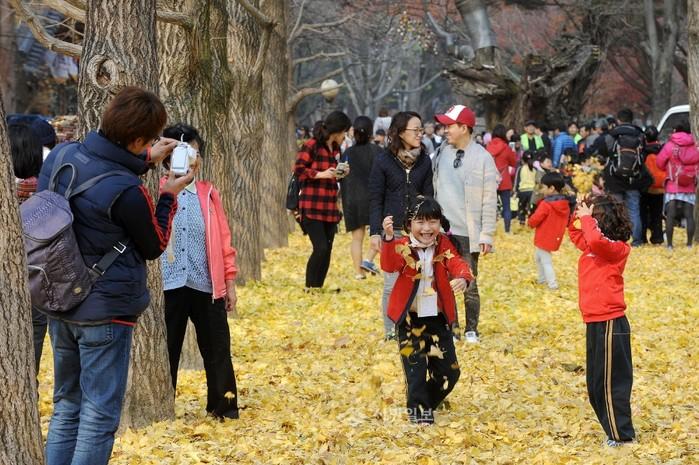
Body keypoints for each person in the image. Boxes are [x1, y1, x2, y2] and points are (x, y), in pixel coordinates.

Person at [37, 86, 193, 465]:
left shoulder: (61, 155)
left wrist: (144, 160)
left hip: (59, 298)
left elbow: (95, 173)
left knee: (66, 406)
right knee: (98, 416)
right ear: (137, 140)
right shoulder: (128, 191)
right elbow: (154, 245)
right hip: (105, 311)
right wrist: (169, 196)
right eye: (150, 140)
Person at [158, 124, 240, 420]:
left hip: (206, 284)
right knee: (167, 349)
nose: (191, 158)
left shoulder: (208, 194)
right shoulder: (157, 192)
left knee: (217, 348)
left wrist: (229, 282)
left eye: (195, 152)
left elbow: (224, 240)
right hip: (169, 285)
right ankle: (162, 409)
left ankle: (224, 408)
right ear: (168, 158)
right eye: (183, 152)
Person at [380, 197, 472, 424]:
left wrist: (463, 277)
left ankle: (424, 404)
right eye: (420, 222)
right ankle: (419, 416)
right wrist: (389, 239)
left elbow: (457, 263)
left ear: (440, 223)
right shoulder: (403, 244)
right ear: (409, 224)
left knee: (449, 373)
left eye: (432, 222)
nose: (427, 228)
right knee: (416, 372)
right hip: (409, 320)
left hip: (437, 319)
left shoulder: (443, 244)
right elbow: (389, 265)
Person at [568, 195, 636, 447]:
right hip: (594, 321)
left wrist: (587, 218)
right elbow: (576, 234)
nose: (589, 222)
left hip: (611, 322)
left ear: (602, 221)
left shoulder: (615, 248)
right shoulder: (592, 247)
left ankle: (622, 437)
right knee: (596, 384)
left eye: (594, 217)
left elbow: (596, 239)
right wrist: (578, 211)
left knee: (611, 384)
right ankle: (612, 432)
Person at [433, 105, 497, 343]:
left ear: (464, 128)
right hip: (442, 232)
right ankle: (452, 327)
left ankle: (471, 329)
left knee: (469, 281)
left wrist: (487, 234)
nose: (445, 130)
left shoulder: (482, 158)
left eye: (449, 125)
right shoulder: (441, 152)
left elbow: (489, 200)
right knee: (444, 282)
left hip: (468, 233)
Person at [369, 111, 434, 340]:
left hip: (418, 231)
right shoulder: (383, 160)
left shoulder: (424, 160)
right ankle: (391, 331)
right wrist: (375, 232)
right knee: (392, 283)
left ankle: (422, 328)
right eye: (415, 130)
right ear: (400, 132)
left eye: (421, 129)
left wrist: (429, 227)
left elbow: (429, 195)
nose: (420, 134)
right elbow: (375, 198)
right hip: (392, 231)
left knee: (422, 281)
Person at [294, 111, 352, 290]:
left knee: (328, 248)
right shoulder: (312, 145)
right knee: (320, 248)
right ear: (337, 130)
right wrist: (320, 174)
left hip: (330, 206)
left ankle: (318, 287)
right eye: (344, 132)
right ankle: (309, 287)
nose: (344, 136)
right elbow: (299, 169)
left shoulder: (335, 149)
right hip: (312, 205)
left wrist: (341, 173)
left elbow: (333, 175)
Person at [9, 123, 46, 375]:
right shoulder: (47, 192)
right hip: (38, 280)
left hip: (7, 279)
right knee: (33, 348)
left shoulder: (6, 193)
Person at [601, 109, 652, 247]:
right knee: (634, 210)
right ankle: (637, 240)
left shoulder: (612, 134)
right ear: (632, 119)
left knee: (616, 209)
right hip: (633, 179)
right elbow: (643, 154)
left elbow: (604, 151)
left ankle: (616, 239)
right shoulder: (639, 134)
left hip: (614, 178)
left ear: (618, 119)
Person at [340, 116, 382, 279]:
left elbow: (340, 176)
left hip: (353, 199)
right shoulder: (378, 151)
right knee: (382, 232)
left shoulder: (347, 153)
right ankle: (368, 259)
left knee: (357, 238)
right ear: (371, 132)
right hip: (373, 199)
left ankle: (359, 273)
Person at [655, 119, 699, 249]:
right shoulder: (695, 145)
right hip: (689, 184)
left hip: (673, 184)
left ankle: (669, 245)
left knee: (671, 215)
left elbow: (659, 163)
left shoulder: (670, 145)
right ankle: (689, 244)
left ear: (675, 130)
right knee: (689, 215)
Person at [527, 173, 570, 290]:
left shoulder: (546, 204)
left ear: (551, 188)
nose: (542, 190)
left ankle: (552, 284)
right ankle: (542, 279)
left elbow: (536, 218)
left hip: (544, 236)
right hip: (553, 236)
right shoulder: (564, 203)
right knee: (538, 258)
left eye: (543, 187)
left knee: (546, 261)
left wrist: (530, 223)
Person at [486, 124, 517, 233]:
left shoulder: (487, 147)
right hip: (504, 180)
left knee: (489, 208)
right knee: (506, 207)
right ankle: (507, 230)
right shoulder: (506, 147)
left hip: (490, 181)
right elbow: (513, 163)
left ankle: (489, 230)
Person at [640, 126, 665, 245]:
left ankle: (642, 237)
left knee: (643, 213)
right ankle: (657, 237)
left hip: (646, 188)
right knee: (657, 214)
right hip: (660, 188)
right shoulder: (662, 150)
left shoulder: (643, 152)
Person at [514, 151, 537, 225]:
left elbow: (517, 180)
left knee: (522, 207)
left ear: (522, 160)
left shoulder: (520, 168)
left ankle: (522, 221)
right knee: (532, 208)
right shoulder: (535, 169)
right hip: (532, 191)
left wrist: (515, 191)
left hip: (523, 191)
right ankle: (531, 222)